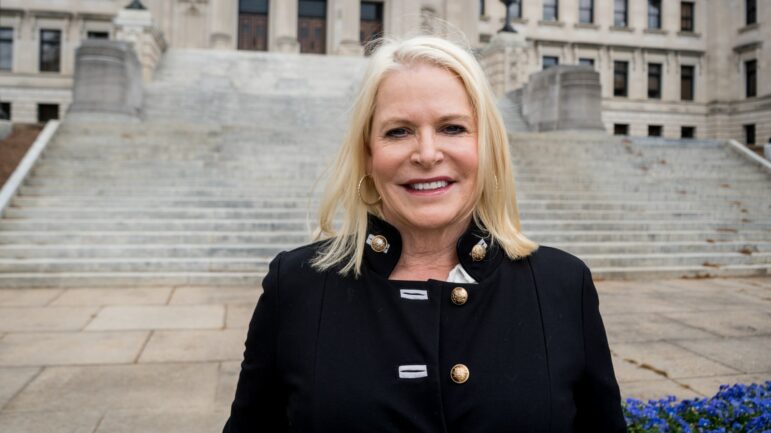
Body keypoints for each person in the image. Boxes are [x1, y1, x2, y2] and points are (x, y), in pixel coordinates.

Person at [222, 35, 627, 432]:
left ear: (487, 145)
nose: (428, 154)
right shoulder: (296, 285)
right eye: (398, 131)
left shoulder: (562, 284)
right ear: (368, 152)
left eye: (452, 128)